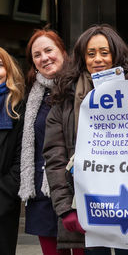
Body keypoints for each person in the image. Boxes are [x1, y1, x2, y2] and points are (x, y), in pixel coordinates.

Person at [42, 24, 128, 254]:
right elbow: (55, 159)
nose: (97, 59)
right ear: (82, 58)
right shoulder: (65, 99)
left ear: (116, 55)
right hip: (87, 205)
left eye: (104, 52)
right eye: (91, 54)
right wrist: (65, 209)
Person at [19, 28, 82, 255]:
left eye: (49, 50)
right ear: (33, 62)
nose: (44, 58)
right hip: (42, 192)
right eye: (37, 55)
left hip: (77, 189)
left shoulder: (80, 87)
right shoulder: (32, 96)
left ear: (63, 52)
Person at [0, 47, 25, 255]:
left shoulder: (18, 109)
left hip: (3, 202)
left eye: (0, 65)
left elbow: (20, 160)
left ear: (8, 70)